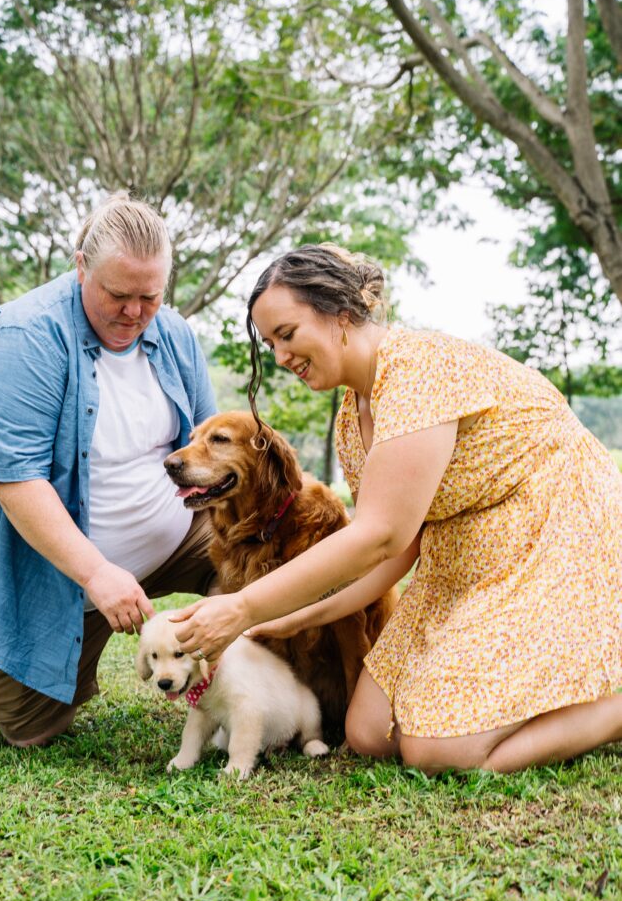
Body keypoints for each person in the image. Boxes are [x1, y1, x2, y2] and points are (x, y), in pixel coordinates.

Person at [170, 243, 622, 774]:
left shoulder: (418, 369)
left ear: (341, 314)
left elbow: (379, 535)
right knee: (369, 734)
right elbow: (396, 552)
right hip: (464, 561)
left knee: (438, 750)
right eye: (270, 343)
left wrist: (244, 608)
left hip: (554, 539)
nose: (280, 357)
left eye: (287, 334)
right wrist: (293, 620)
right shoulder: (351, 414)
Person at [0, 193, 218, 747]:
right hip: (63, 574)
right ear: (80, 266)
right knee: (26, 727)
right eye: (117, 295)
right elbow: (13, 482)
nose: (134, 313)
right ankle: (69, 637)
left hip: (180, 537)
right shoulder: (20, 341)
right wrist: (97, 574)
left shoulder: (178, 335)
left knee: (270, 557)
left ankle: (250, 686)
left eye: (150, 297)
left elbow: (210, 444)